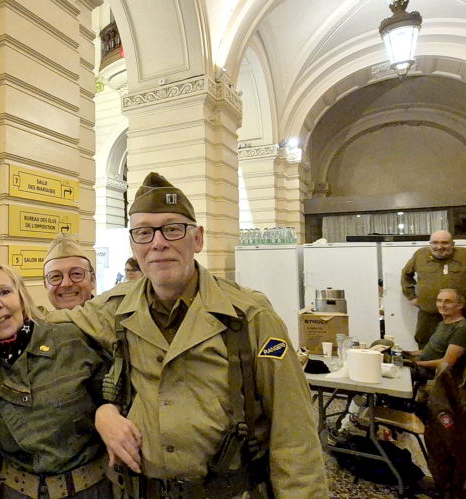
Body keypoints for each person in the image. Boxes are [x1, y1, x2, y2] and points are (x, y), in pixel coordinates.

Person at [47, 172, 326, 497]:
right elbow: (43, 328)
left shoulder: (248, 316)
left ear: (198, 239)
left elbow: (294, 432)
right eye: (144, 232)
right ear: (133, 245)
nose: (158, 243)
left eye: (172, 229)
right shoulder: (114, 310)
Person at [0, 262, 113, 499]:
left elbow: (118, 400)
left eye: (4, 292)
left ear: (21, 298)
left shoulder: (71, 341)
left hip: (90, 491)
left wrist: (109, 410)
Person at [402, 230, 466, 347]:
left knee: (463, 346)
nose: (439, 247)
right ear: (430, 244)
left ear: (452, 244)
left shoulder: (465, 255)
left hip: (460, 314)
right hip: (429, 314)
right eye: (435, 243)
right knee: (426, 347)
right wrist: (412, 297)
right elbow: (406, 275)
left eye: (444, 243)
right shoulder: (420, 255)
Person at [405, 288, 466, 382]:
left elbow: (446, 363)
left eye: (448, 302)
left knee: (397, 372)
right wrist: (407, 354)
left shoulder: (462, 330)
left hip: (439, 377)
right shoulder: (444, 323)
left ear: (460, 305)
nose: (442, 305)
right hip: (427, 370)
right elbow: (435, 350)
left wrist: (413, 363)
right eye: (439, 301)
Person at [43, 234, 95, 310]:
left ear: (92, 280)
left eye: (76, 274)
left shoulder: (110, 316)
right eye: (56, 276)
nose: (66, 283)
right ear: (45, 285)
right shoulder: (39, 318)